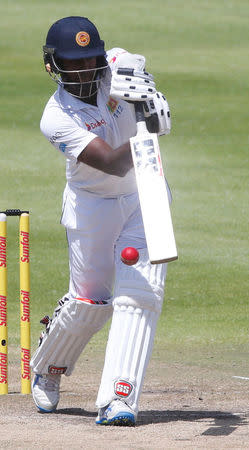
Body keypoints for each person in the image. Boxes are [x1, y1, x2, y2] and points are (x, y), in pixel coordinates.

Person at [30, 16, 172, 426]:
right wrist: (149, 128)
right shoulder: (55, 116)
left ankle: (118, 398)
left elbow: (133, 62)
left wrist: (144, 85)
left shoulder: (113, 64)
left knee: (140, 295)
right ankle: (50, 366)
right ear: (53, 66)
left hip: (145, 191)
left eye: (90, 60)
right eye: (73, 63)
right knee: (91, 302)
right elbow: (109, 162)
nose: (84, 70)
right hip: (93, 203)